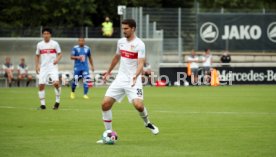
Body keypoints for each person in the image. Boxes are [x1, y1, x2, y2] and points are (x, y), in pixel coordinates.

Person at [96, 19, 159, 144]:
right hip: (120, 78)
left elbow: (141, 63)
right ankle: (109, 134)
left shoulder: (139, 44)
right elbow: (116, 57)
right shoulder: (121, 42)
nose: (123, 31)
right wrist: (108, 72)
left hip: (133, 80)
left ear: (133, 28)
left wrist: (136, 75)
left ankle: (148, 123)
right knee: (105, 104)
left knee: (138, 105)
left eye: (126, 28)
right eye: (123, 28)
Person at [35, 27, 62, 110]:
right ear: (42, 35)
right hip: (43, 68)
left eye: (47, 33)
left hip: (52, 67)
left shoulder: (55, 44)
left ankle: (57, 101)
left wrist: (57, 59)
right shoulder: (39, 44)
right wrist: (37, 65)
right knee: (41, 85)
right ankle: (43, 105)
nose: (46, 35)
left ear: (50, 35)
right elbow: (37, 55)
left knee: (56, 84)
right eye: (44, 34)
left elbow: (60, 54)